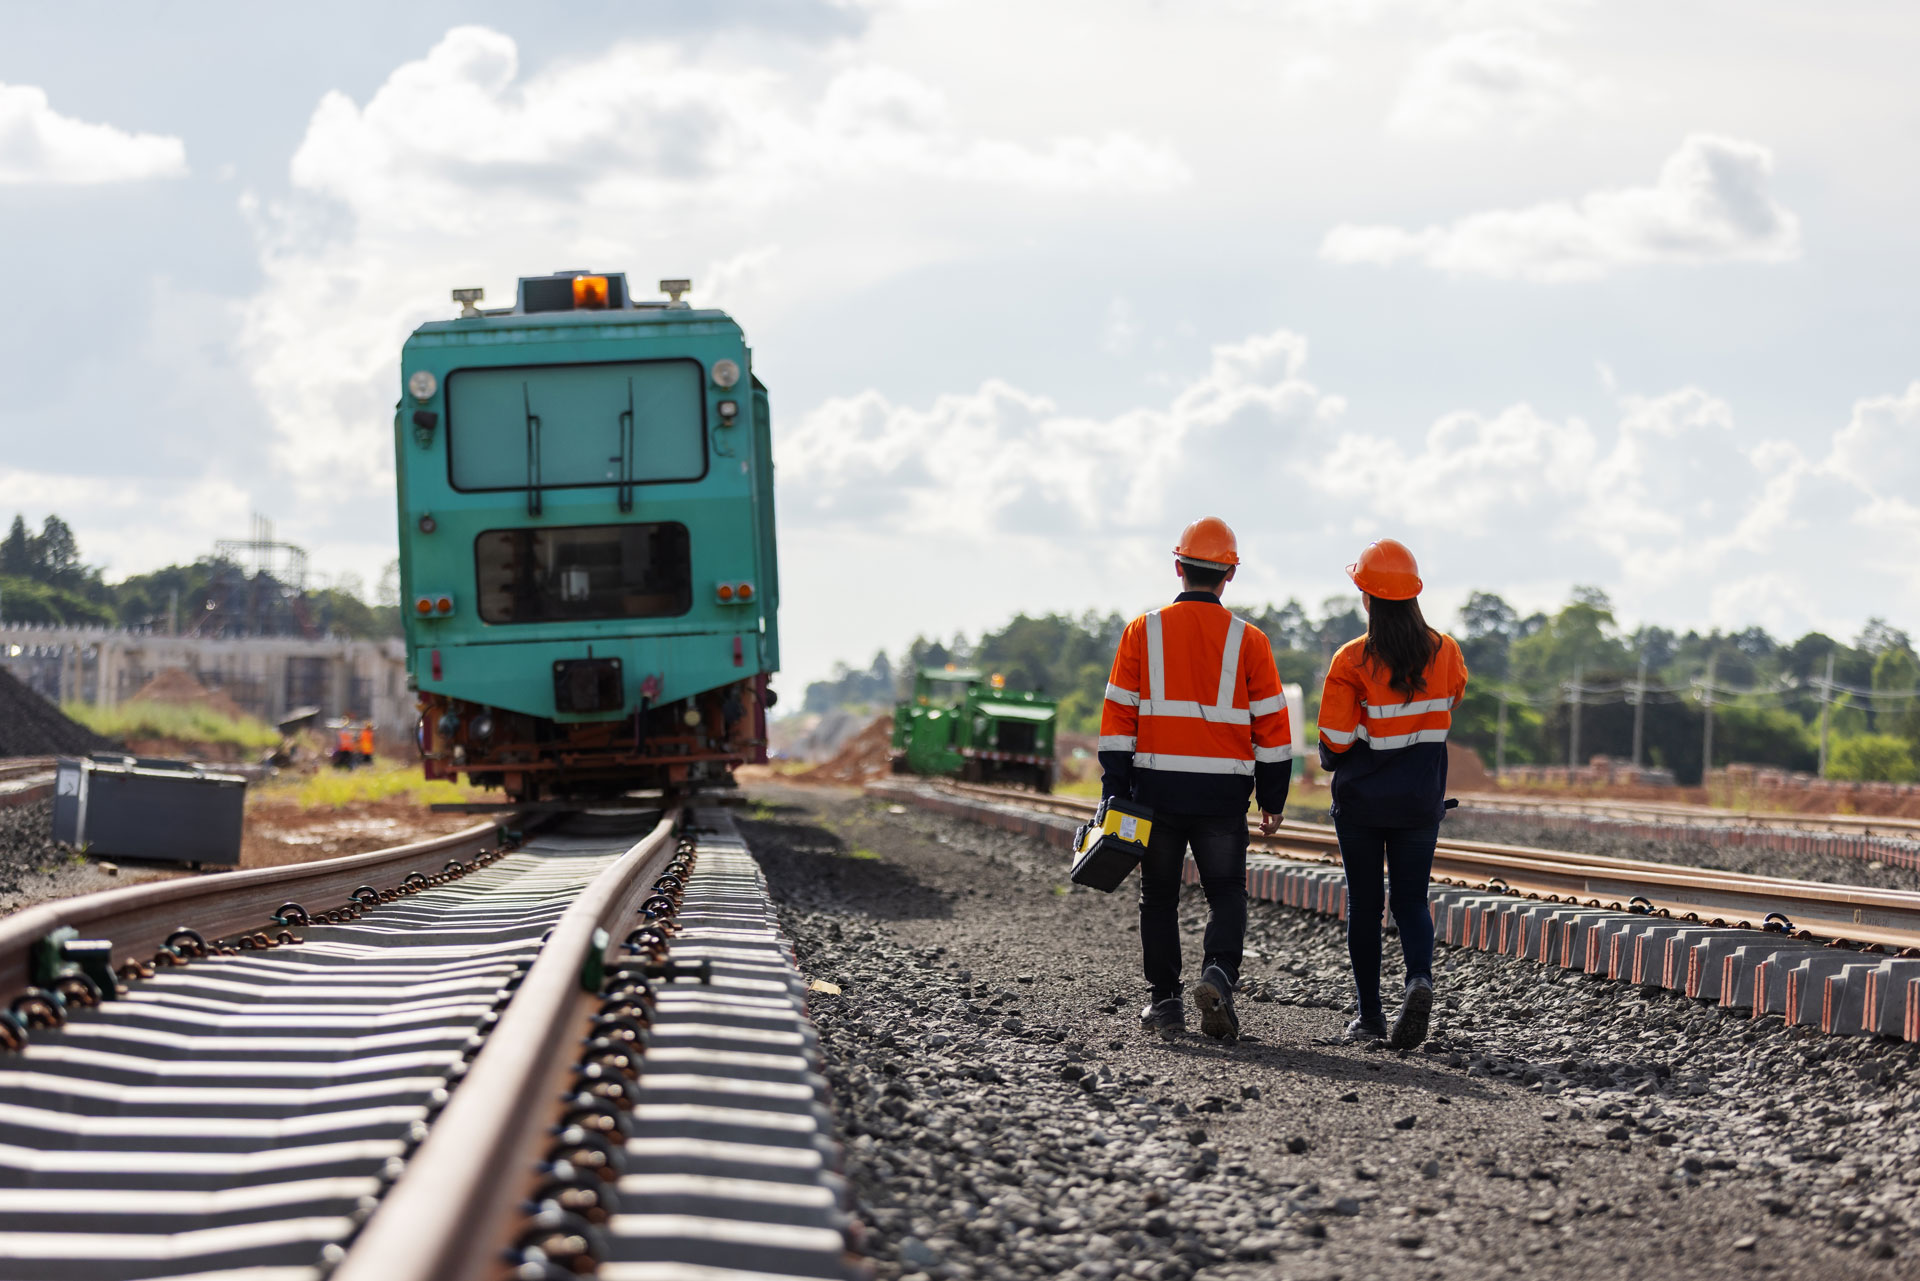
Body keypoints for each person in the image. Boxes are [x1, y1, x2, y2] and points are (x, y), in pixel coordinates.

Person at [1099, 517, 1293, 1043]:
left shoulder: (1144, 630)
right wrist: (1272, 796)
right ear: (1229, 574)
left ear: (1178, 566)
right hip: (1222, 794)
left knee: (1158, 896)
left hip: (1155, 791)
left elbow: (1119, 719)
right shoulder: (1249, 641)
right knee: (1226, 891)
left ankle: (1165, 1004)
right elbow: (1273, 726)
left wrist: (1113, 791)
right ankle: (1218, 978)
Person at [1317, 539, 1468, 1050]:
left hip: (1361, 803)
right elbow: (1452, 696)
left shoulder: (1351, 659)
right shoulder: (1446, 651)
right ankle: (1419, 980)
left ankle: (1370, 1018)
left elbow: (1335, 741)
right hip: (1419, 800)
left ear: (1366, 596)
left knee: (1365, 904)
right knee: (1411, 900)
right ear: (1414, 595)